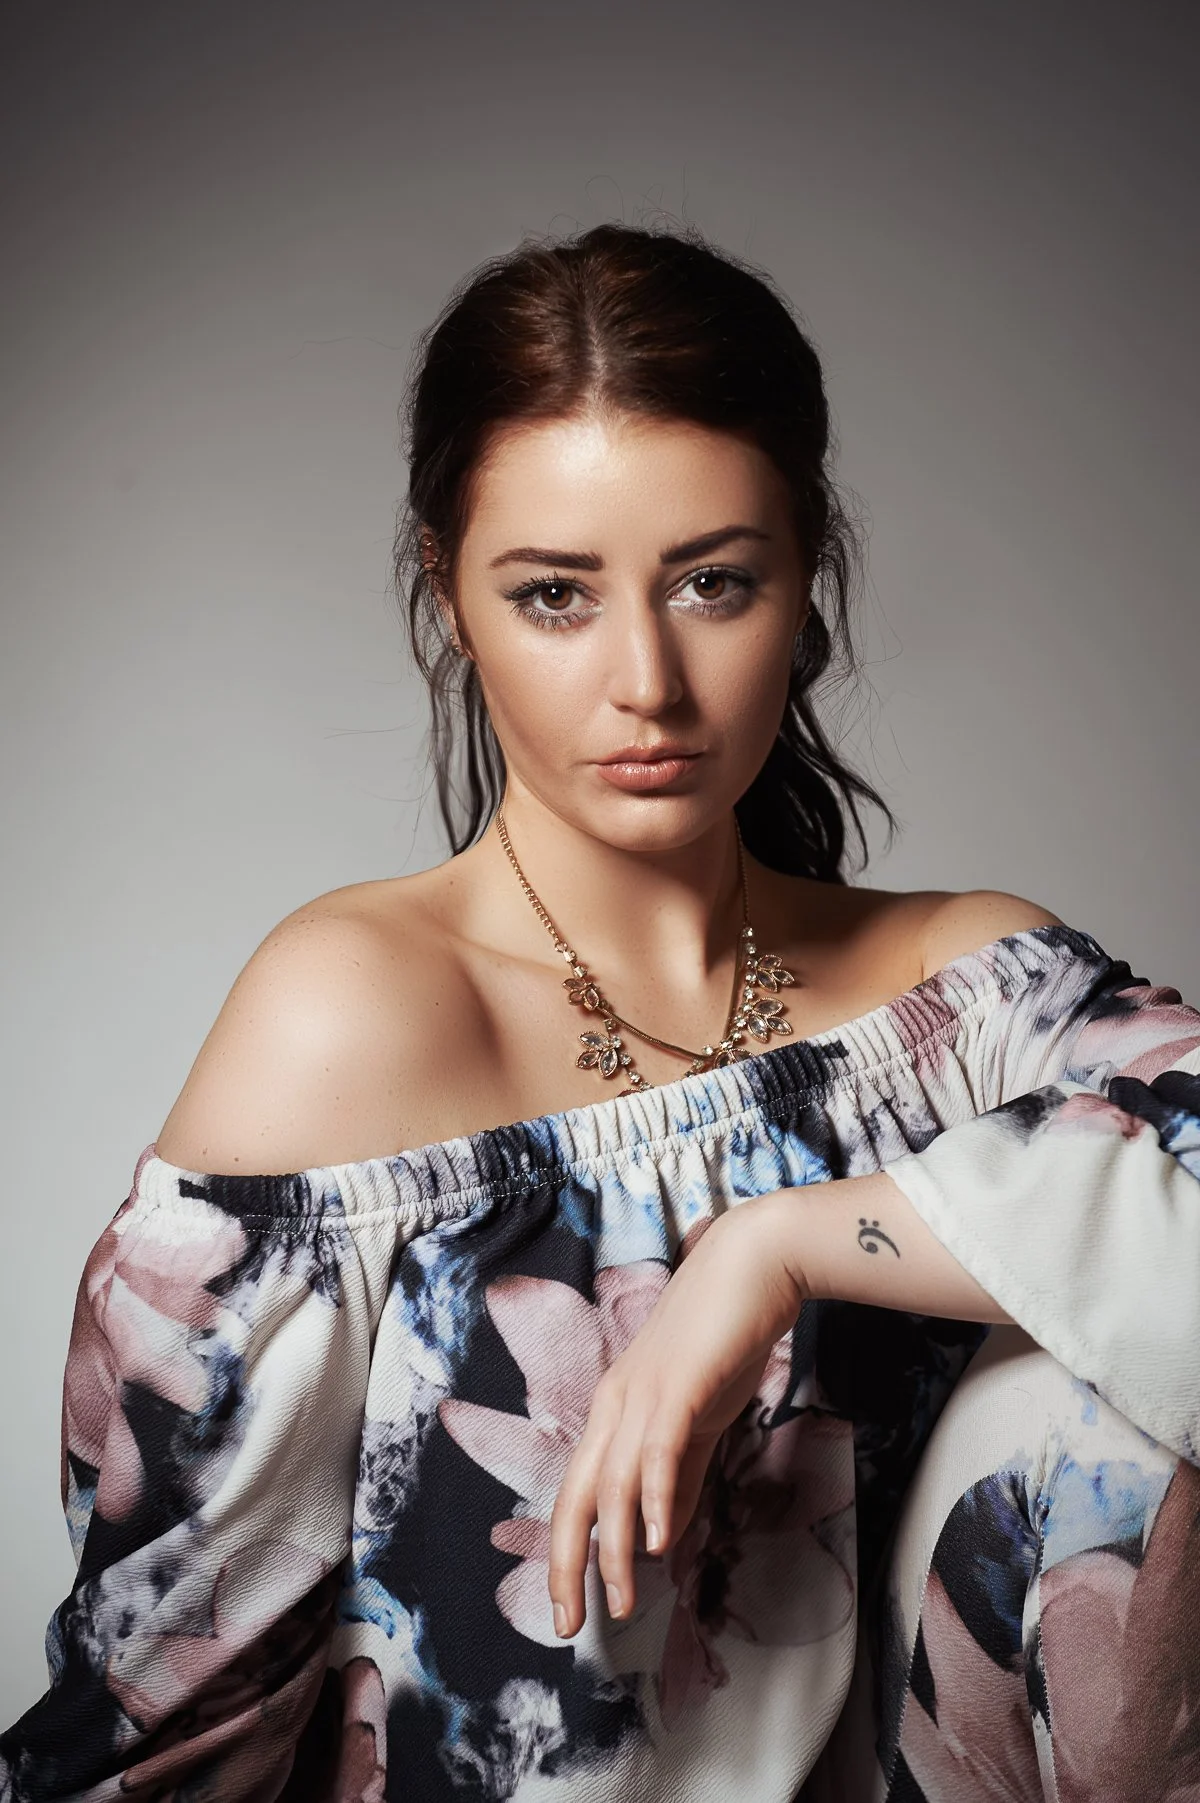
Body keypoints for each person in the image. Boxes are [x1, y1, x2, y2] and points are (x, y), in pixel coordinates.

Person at [1, 221, 1197, 1802]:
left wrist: (775, 1255)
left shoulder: (967, 996)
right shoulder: (354, 1019)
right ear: (449, 594)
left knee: (1120, 1389)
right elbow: (165, 1708)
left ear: (805, 578)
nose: (647, 678)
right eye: (556, 595)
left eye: (714, 582)